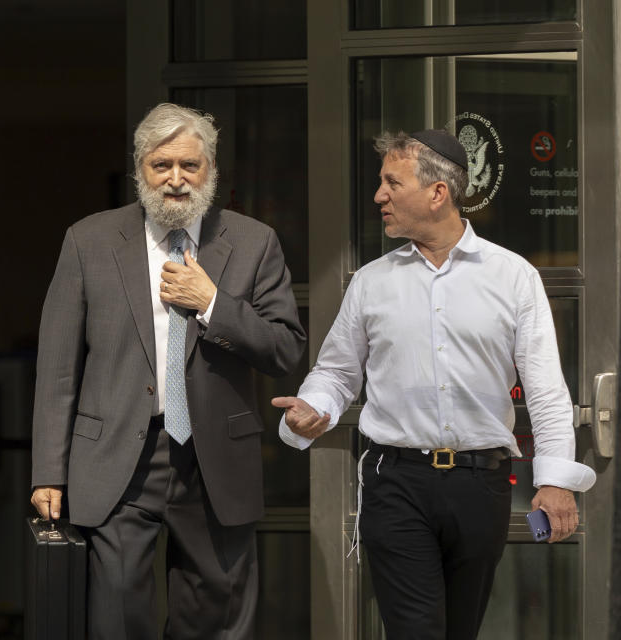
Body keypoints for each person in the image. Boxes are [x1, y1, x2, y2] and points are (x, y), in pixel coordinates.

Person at [272, 129, 596, 640]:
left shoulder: (514, 277)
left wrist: (555, 481)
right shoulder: (370, 282)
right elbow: (335, 372)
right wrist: (311, 409)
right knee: (417, 629)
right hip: (396, 481)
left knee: (459, 630)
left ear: (437, 192)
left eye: (391, 183)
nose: (379, 195)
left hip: (481, 484)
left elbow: (546, 391)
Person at [30, 103, 305, 639]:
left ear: (211, 171)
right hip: (116, 457)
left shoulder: (253, 242)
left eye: (189, 165)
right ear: (141, 170)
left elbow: (286, 349)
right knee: (117, 615)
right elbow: (59, 366)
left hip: (214, 461)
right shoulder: (89, 241)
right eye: (161, 166)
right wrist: (48, 470)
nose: (176, 179)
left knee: (215, 616)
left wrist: (213, 303)